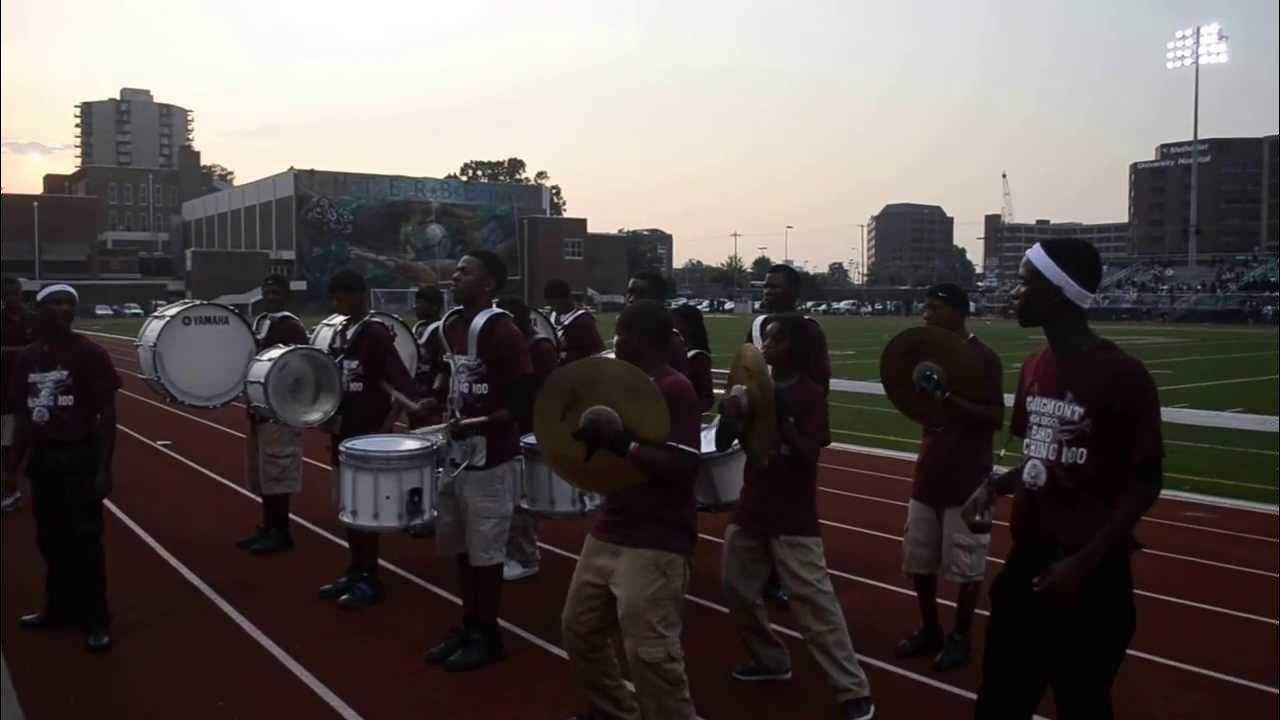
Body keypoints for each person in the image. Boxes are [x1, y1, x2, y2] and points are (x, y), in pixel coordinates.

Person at [966, 238, 1164, 719]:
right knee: (999, 701)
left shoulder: (1122, 375)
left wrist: (1081, 564)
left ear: (1057, 291)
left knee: (1083, 704)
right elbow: (1044, 459)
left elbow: (1146, 483)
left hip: (1092, 578)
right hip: (1028, 565)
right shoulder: (1035, 365)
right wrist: (994, 486)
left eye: (1024, 282)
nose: (1013, 292)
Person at [719, 315, 875, 720]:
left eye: (776, 339)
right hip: (753, 502)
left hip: (792, 511)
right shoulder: (756, 386)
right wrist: (733, 414)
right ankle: (771, 659)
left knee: (815, 604)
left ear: (794, 346)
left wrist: (781, 420)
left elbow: (810, 452)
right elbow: (729, 442)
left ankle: (852, 688)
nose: (766, 345)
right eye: (766, 338)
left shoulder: (808, 393)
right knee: (736, 588)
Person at [562, 300, 702, 720]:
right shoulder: (619, 385)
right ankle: (616, 710)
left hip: (657, 538)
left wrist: (622, 443)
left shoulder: (675, 387)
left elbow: (684, 464)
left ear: (645, 339)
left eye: (622, 331)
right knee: (579, 630)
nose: (615, 339)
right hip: (612, 526)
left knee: (652, 654)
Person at [423, 251, 534, 672]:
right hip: (456, 455)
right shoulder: (449, 326)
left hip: (492, 459)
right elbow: (445, 375)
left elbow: (523, 398)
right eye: (455, 270)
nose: (455, 276)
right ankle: (469, 624)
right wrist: (431, 401)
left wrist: (482, 420)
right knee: (462, 547)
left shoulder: (504, 331)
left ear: (488, 284)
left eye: (465, 272)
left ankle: (489, 636)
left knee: (486, 553)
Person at [5, 284, 120, 653]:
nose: (64, 309)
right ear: (39, 310)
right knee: (50, 540)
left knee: (86, 542)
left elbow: (107, 414)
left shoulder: (90, 354)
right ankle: (58, 608)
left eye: (70, 304)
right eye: (55, 303)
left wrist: (104, 467)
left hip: (80, 458)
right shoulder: (28, 357)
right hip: (44, 459)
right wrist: (11, 467)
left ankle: (96, 618)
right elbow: (23, 415)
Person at [895, 284, 1004, 672]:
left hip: (969, 478)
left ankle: (961, 636)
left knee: (967, 566)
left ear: (959, 312)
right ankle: (930, 628)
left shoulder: (984, 358)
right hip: (929, 473)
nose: (926, 315)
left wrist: (949, 399)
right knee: (919, 559)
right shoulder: (929, 355)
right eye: (925, 307)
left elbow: (995, 417)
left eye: (934, 308)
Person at [317, 270, 422, 610]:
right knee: (348, 505)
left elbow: (400, 381)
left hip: (367, 435)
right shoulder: (342, 331)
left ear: (360, 295)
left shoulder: (375, 333)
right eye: (333, 299)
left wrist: (387, 425)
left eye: (342, 297)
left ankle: (370, 577)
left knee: (365, 506)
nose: (337, 304)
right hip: (344, 432)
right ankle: (355, 568)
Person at [746, 264, 833, 608]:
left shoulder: (808, 329)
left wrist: (799, 418)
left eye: (776, 287)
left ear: (794, 291)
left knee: (792, 506)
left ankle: (787, 575)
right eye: (765, 286)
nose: (767, 291)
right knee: (757, 497)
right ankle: (764, 574)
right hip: (760, 422)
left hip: (793, 423)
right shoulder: (755, 325)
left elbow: (819, 378)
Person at [238, 274, 310, 555]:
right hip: (259, 410)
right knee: (264, 474)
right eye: (266, 291)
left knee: (279, 473)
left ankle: (281, 532)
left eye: (275, 292)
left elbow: (300, 368)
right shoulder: (262, 323)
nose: (269, 296)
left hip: (279, 412)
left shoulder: (291, 327)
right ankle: (268, 527)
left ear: (286, 295)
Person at [495, 295, 558, 582]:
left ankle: (526, 556)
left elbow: (549, 392)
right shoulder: (511, 348)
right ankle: (511, 550)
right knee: (507, 497)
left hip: (529, 431)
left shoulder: (539, 348)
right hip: (511, 429)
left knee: (522, 499)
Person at [2, 277, 39, 512]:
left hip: (33, 390)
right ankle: (11, 490)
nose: (13, 298)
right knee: (8, 444)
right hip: (5, 391)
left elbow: (42, 348)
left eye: (16, 293)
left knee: (38, 441)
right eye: (7, 295)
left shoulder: (33, 319)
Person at [624, 271, 689, 376]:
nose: (631, 299)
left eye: (640, 294)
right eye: (629, 293)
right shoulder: (625, 335)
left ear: (658, 300)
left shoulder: (669, 342)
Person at [409, 285, 446, 430]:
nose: (416, 307)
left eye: (420, 303)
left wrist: (435, 396)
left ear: (434, 307)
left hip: (432, 400)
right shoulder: (418, 328)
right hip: (417, 394)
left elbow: (443, 369)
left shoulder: (441, 331)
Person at [544, 279, 606, 363]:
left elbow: (597, 352)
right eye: (551, 304)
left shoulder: (583, 321)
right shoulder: (551, 317)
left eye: (556, 303)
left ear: (567, 299)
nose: (553, 308)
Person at [671, 304, 714, 413]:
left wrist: (690, 411)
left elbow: (707, 398)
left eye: (676, 321)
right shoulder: (671, 350)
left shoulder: (698, 357)